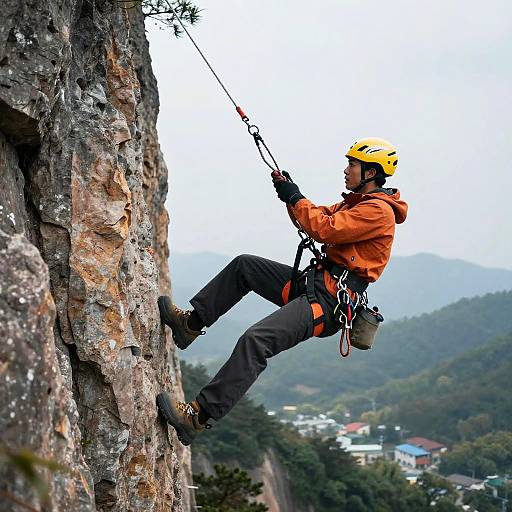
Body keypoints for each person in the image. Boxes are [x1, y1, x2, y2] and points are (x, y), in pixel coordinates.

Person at [156, 137, 408, 446]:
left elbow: (324, 229)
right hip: (314, 285)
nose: (346, 170)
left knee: (256, 340)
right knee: (245, 267)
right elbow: (316, 217)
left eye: (352, 165)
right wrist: (291, 195)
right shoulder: (356, 204)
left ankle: (197, 417)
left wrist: (296, 197)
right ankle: (190, 325)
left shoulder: (377, 212)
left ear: (370, 172)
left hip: (328, 303)